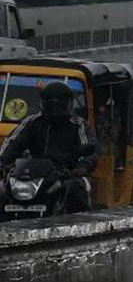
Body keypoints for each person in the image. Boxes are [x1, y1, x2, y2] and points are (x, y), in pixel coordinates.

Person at [0, 80, 97, 213]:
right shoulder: (32, 122)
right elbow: (13, 143)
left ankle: (86, 229)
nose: (54, 110)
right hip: (33, 174)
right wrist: (2, 162)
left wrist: (83, 167)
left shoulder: (78, 124)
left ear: (68, 104)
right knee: (3, 190)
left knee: (77, 189)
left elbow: (90, 148)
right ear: (42, 103)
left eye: (59, 105)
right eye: (50, 104)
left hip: (67, 174)